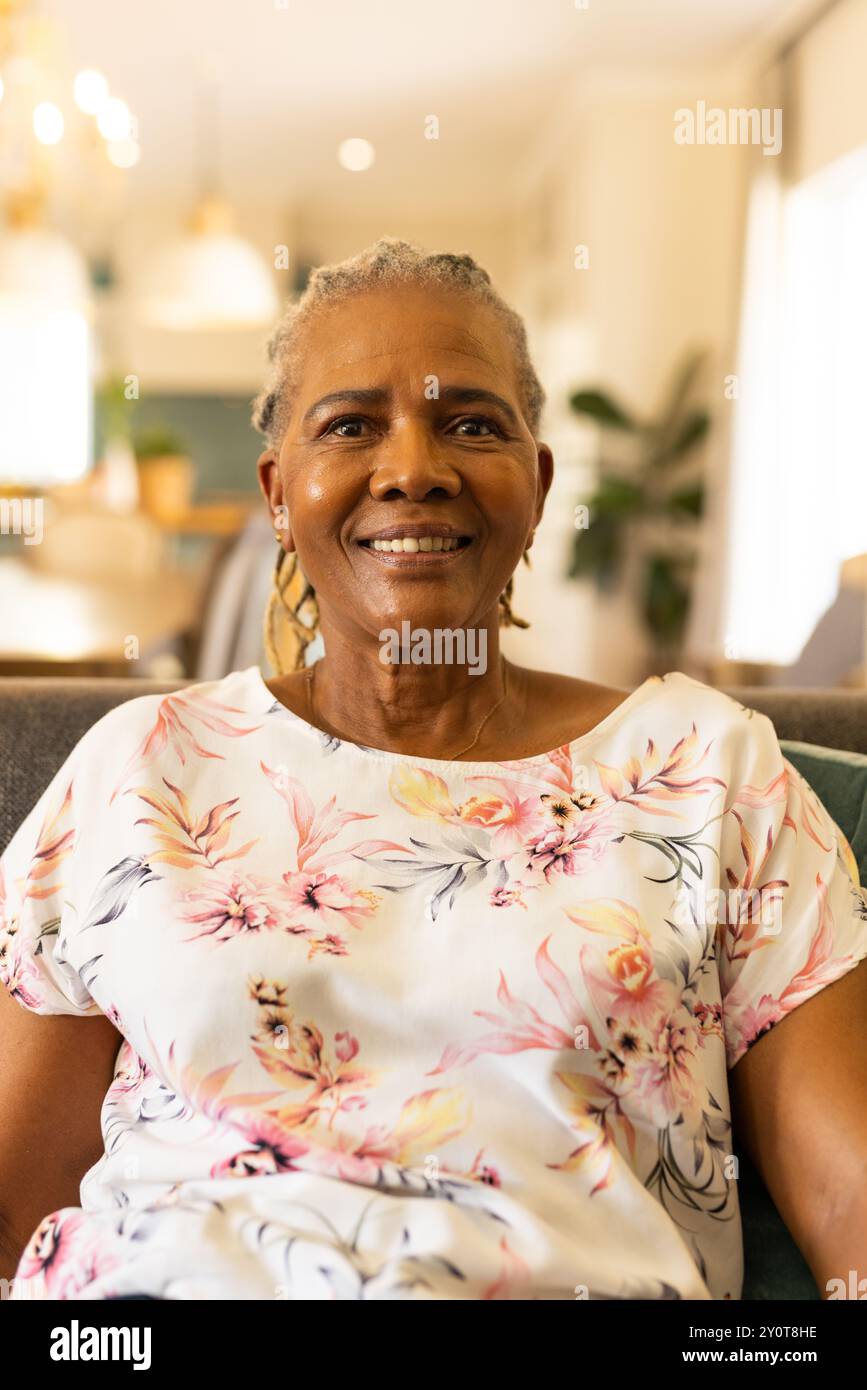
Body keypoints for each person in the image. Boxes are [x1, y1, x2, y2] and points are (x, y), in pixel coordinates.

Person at [1, 238, 866, 1301]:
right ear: (279, 494)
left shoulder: (708, 773)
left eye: (470, 423)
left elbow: (851, 1208)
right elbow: (12, 1206)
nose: (414, 468)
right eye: (352, 425)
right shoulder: (137, 770)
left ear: (537, 488)